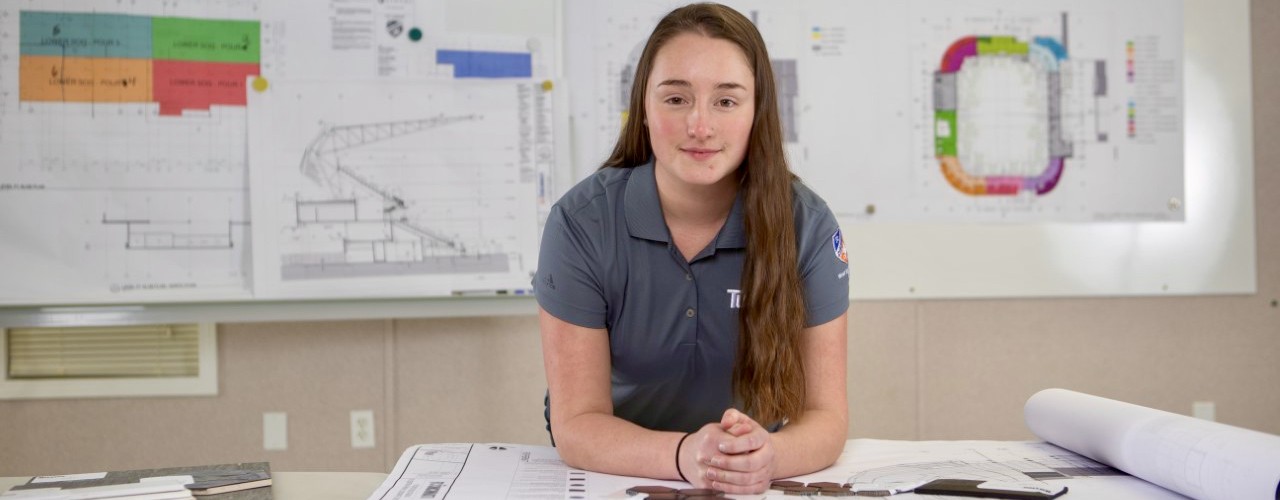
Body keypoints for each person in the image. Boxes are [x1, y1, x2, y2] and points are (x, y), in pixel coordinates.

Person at [533, 3, 849, 494]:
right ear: (643, 106)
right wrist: (685, 456)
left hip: (753, 485)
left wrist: (768, 457)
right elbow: (576, 424)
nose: (700, 127)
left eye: (726, 102)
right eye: (676, 99)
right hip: (617, 479)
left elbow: (825, 418)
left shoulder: (806, 224)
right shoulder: (581, 222)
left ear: (757, 111)